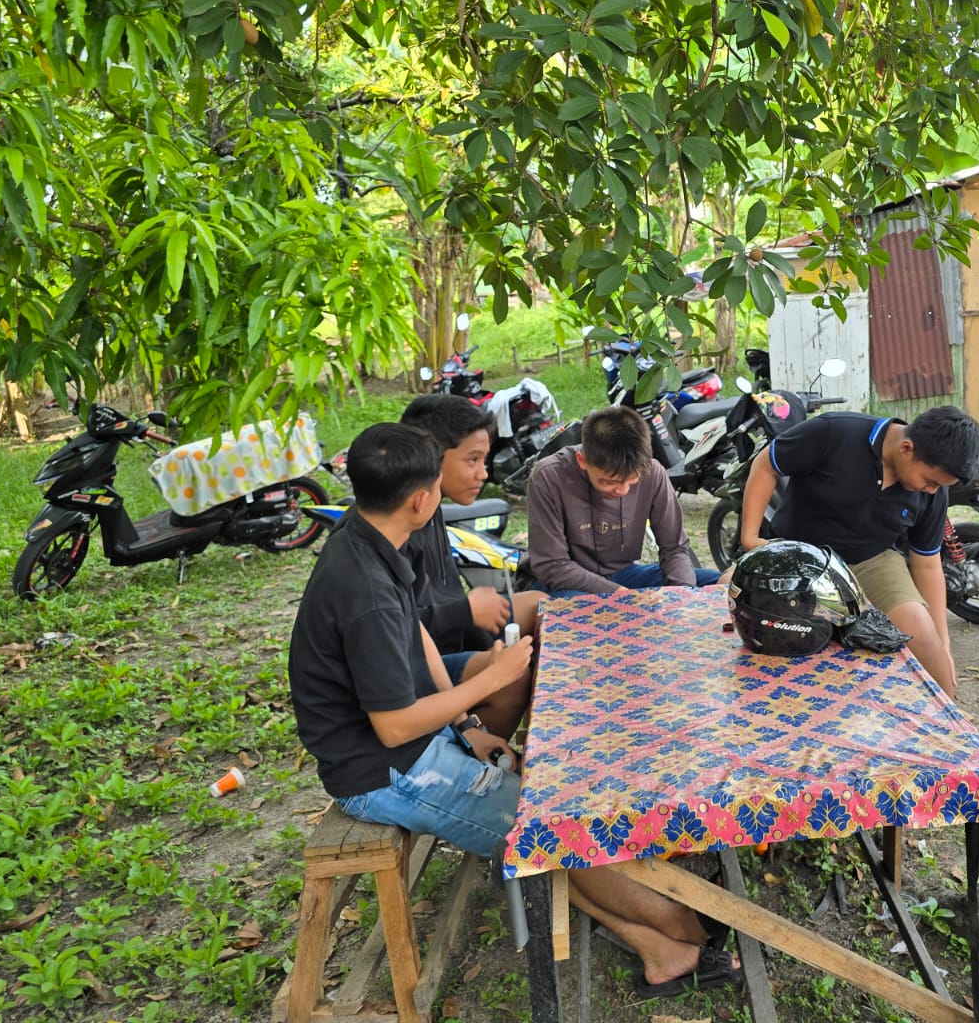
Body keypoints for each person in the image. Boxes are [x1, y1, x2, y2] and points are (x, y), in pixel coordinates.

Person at [289, 423, 740, 998]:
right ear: (423, 499)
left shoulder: (369, 539)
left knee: (549, 800)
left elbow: (419, 643)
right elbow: (394, 725)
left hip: (410, 741)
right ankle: (682, 925)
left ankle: (662, 949)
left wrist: (468, 725)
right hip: (382, 769)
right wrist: (491, 680)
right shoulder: (364, 592)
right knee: (548, 824)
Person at [737, 404, 979, 698]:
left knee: (925, 638)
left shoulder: (933, 491)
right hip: (800, 555)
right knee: (730, 597)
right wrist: (750, 537)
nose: (931, 490)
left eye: (938, 486)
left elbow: (927, 565)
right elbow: (766, 465)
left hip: (872, 560)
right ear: (906, 448)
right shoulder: (833, 432)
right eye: (929, 482)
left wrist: (943, 643)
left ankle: (950, 734)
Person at [397, 394, 543, 738]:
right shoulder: (398, 524)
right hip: (419, 661)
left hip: (449, 630)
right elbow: (396, 629)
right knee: (514, 676)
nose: (484, 473)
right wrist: (464, 611)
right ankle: (477, 758)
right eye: (472, 460)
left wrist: (472, 611)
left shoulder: (432, 507)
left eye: (485, 460)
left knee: (539, 604)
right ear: (429, 456)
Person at [525, 406, 720, 595]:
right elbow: (552, 566)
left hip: (626, 575)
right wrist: (621, 597)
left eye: (632, 480)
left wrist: (681, 594)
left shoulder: (653, 473)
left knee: (715, 584)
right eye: (610, 482)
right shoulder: (549, 477)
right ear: (582, 460)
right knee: (581, 614)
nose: (623, 490)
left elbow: (674, 548)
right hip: (569, 584)